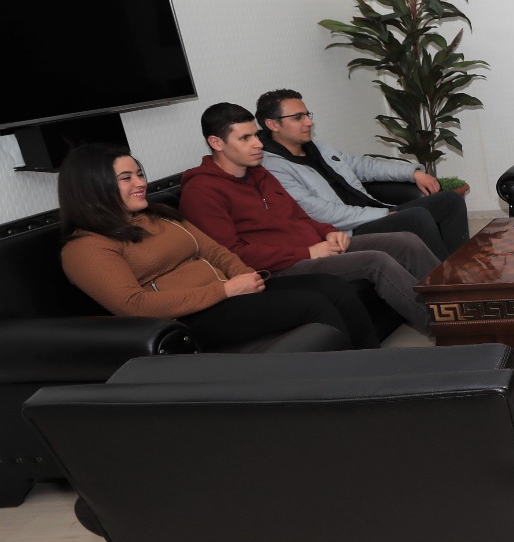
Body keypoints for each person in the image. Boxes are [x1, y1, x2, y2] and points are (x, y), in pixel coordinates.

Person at [57, 143, 380, 350]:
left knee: (332, 286)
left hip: (230, 293)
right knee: (311, 304)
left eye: (139, 174)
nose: (140, 183)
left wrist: (245, 279)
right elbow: (134, 305)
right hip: (189, 318)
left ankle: (376, 365)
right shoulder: (86, 246)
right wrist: (226, 291)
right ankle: (347, 388)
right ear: (93, 187)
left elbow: (215, 251)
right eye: (126, 178)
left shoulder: (159, 215)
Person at [179, 102, 440, 337]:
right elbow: (231, 255)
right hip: (279, 267)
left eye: (256, 135)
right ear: (216, 143)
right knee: (376, 261)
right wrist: (307, 252)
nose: (258, 144)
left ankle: (458, 304)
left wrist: (328, 231)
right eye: (245, 138)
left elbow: (299, 215)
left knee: (406, 242)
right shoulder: (201, 191)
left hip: (314, 248)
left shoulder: (260, 173)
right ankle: (447, 327)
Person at [255, 88, 469, 260]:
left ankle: (459, 270)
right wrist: (381, 214)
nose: (308, 122)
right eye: (297, 117)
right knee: (417, 218)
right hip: (346, 231)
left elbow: (364, 166)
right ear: (272, 124)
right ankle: (443, 287)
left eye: (307, 115)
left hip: (372, 214)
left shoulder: (318, 148)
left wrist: (412, 173)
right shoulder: (273, 167)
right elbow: (319, 212)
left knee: (450, 200)